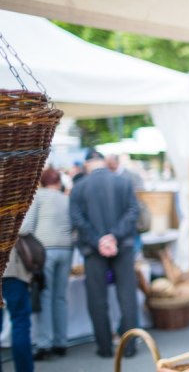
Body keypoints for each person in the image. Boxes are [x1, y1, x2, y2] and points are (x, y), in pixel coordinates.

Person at [69, 149, 140, 358]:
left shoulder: (79, 187)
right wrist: (113, 237)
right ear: (102, 162)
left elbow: (77, 219)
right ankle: (130, 346)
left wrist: (99, 239)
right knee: (127, 296)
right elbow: (133, 211)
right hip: (122, 245)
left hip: (94, 249)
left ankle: (105, 347)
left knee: (97, 299)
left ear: (88, 164)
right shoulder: (123, 182)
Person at [21, 168, 73, 361]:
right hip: (66, 249)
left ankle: (45, 343)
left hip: (45, 250)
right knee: (60, 297)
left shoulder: (38, 197)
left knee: (45, 296)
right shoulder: (65, 198)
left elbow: (26, 227)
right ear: (58, 181)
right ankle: (61, 342)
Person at [1, 227, 36, 371]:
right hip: (11, 270)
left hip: (10, 270)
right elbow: (25, 228)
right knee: (20, 321)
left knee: (19, 321)